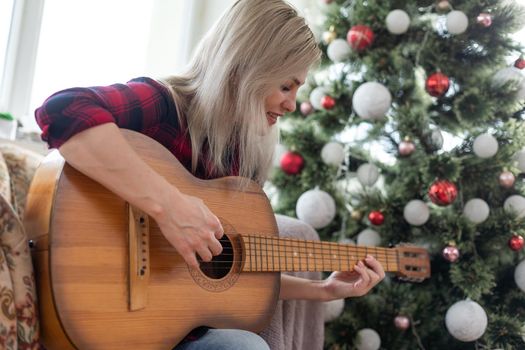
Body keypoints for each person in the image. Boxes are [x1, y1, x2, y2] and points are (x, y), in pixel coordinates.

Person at [35, 0, 385, 349]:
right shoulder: (164, 105)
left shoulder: (238, 161)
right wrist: (169, 206)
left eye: (298, 90)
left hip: (176, 332)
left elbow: (239, 269)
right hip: (104, 315)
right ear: (247, 68)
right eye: (286, 86)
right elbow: (62, 109)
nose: (292, 104)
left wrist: (322, 290)